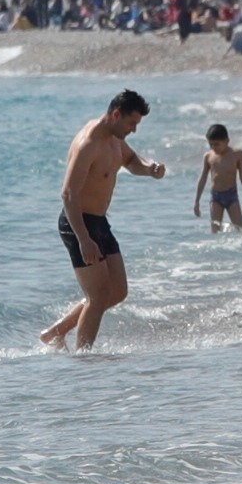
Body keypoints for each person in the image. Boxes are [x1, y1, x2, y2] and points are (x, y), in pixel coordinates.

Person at [40, 89, 166, 350]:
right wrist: (83, 239)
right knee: (97, 298)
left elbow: (131, 160)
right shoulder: (89, 143)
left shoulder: (114, 138)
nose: (133, 130)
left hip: (99, 222)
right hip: (79, 224)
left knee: (117, 291)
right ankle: (85, 361)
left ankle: (56, 332)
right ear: (116, 114)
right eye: (131, 123)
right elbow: (68, 193)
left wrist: (150, 169)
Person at [191, 122, 242, 232]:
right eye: (211, 145)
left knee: (240, 229)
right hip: (216, 197)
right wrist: (196, 201)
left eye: (217, 144)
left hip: (231, 195)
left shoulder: (236, 154)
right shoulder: (208, 156)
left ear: (227, 141)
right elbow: (203, 178)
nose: (214, 147)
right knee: (215, 231)